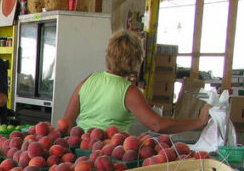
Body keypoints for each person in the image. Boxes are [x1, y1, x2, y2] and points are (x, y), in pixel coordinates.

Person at [63, 30, 211, 133]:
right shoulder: (129, 92)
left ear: (108, 55)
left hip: (80, 154)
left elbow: (67, 122)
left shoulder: (88, 80)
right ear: (136, 60)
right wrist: (198, 122)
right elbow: (157, 125)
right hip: (109, 158)